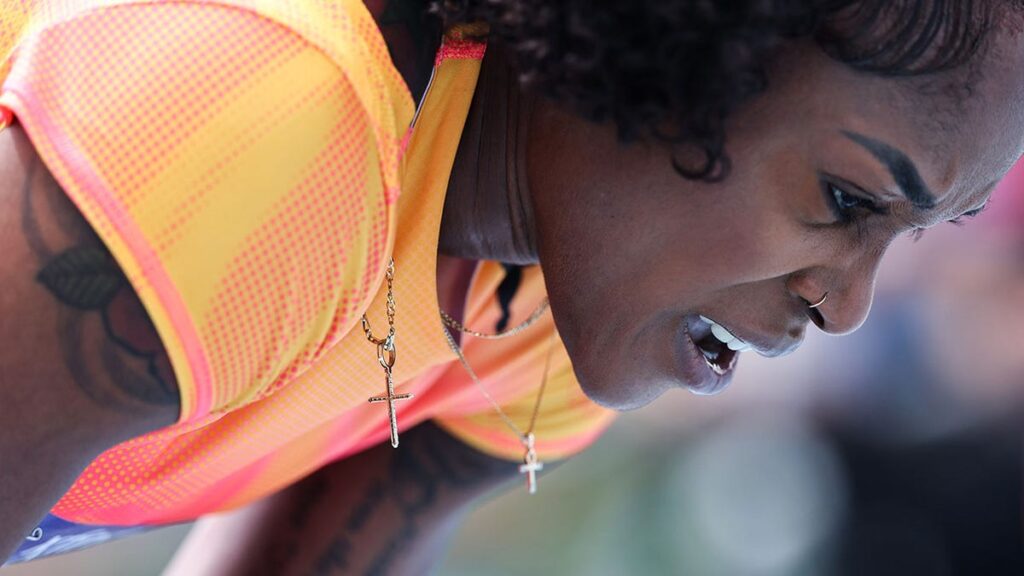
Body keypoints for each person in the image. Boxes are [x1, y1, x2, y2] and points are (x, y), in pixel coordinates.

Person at [1, 0, 1023, 573]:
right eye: (847, 199)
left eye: (915, 234)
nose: (848, 308)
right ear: (685, 42)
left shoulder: (562, 301)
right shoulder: (277, 129)